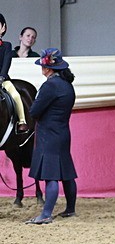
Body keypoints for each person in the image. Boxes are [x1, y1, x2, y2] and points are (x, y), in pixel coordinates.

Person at [25, 48, 78, 224]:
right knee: (67, 173)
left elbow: (34, 110)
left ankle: (46, 214)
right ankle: (70, 209)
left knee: (51, 175)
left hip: (49, 134)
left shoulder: (49, 86)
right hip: (63, 132)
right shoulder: (67, 85)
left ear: (48, 69)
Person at [0, 14, 30, 134]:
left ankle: (22, 122)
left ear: (3, 28)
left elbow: (6, 63)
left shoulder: (7, 46)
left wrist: (1, 77)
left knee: (15, 95)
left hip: (3, 79)